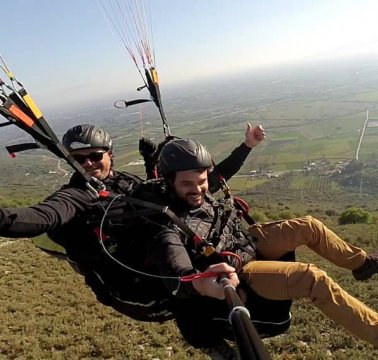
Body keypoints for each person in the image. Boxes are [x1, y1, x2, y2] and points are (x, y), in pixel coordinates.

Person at [145, 138, 378, 359]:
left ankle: (362, 263)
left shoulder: (199, 188)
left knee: (308, 225)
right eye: (188, 183)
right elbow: (179, 275)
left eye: (202, 180)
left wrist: (248, 145)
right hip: (239, 270)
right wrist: (203, 282)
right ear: (169, 182)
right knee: (311, 278)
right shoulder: (166, 224)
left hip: (246, 242)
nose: (198, 188)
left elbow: (224, 171)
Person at [0, 122, 265, 321]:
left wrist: (246, 147)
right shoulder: (76, 196)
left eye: (96, 156)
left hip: (165, 264)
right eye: (80, 159)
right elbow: (41, 217)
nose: (89, 163)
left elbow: (206, 182)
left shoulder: (125, 181)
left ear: (110, 155)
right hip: (141, 289)